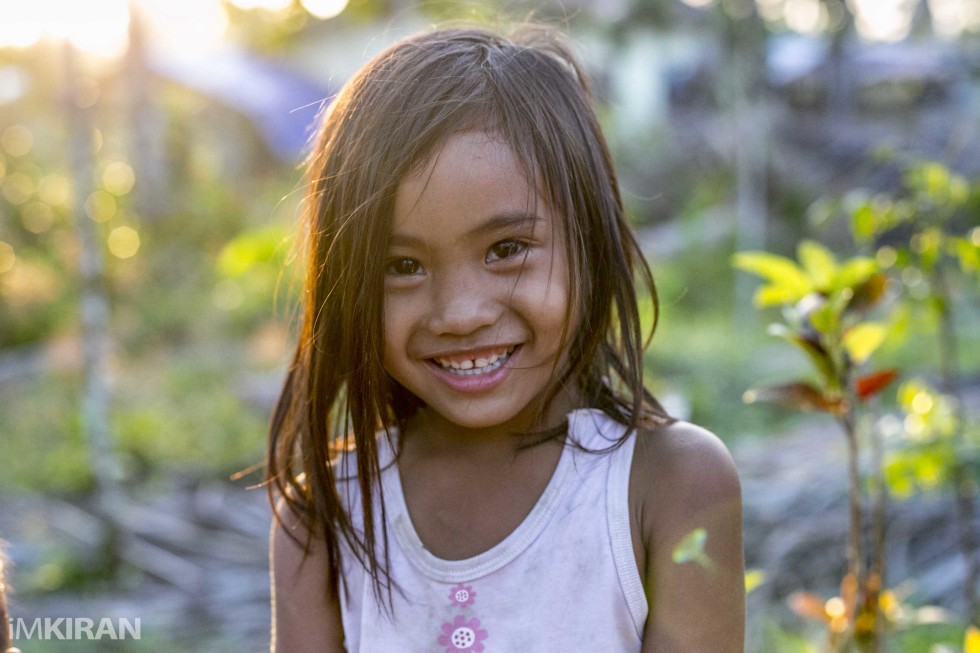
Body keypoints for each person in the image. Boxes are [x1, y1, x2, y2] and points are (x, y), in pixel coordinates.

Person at [266, 24, 744, 652]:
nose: (459, 313)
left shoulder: (670, 486)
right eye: (402, 266)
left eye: (507, 249)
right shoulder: (324, 518)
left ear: (592, 248)